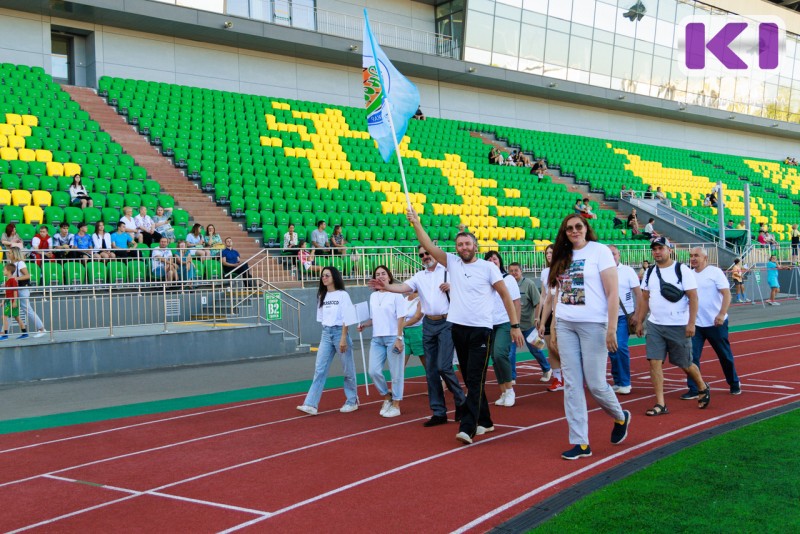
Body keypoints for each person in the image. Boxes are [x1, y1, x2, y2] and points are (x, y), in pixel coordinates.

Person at [405, 207, 523, 445]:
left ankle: (468, 426)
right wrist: (416, 223)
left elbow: (505, 296)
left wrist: (515, 325)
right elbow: (428, 245)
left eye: (467, 244)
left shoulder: (488, 268)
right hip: (457, 328)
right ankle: (486, 421)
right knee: (471, 380)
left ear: (475, 246)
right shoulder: (452, 263)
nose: (464, 248)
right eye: (460, 244)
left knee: (474, 377)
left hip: (481, 329)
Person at [540, 214, 630, 460]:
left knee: (596, 383)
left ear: (586, 228)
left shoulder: (599, 251)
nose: (574, 231)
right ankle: (580, 443)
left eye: (578, 226)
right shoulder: (562, 256)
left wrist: (611, 328)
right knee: (571, 385)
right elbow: (559, 295)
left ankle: (620, 416)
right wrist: (555, 329)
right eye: (569, 228)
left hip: (594, 325)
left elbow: (612, 294)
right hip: (566, 324)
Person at [370, 245, 466, 428]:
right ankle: (439, 412)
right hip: (429, 324)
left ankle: (461, 401)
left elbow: (466, 287)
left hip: (447, 322)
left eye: (427, 253)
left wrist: (452, 287)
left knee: (444, 366)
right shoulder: (419, 276)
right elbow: (403, 287)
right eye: (421, 255)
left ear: (434, 253)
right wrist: (386, 286)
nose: (424, 256)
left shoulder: (448, 270)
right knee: (430, 370)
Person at [635, 237, 710, 416]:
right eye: (654, 249)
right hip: (655, 325)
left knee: (685, 363)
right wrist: (640, 321)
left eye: (660, 248)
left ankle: (701, 385)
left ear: (669, 249)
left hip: (678, 325)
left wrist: (691, 323)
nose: (657, 252)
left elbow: (693, 297)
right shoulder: (650, 272)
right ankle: (660, 403)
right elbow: (645, 298)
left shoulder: (681, 269)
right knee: (654, 362)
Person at [296, 266, 359, 415]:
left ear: (334, 277)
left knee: (348, 369)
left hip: (340, 333)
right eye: (323, 276)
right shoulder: (321, 295)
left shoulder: (343, 295)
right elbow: (323, 319)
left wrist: (343, 337)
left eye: (327, 275)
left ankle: (352, 400)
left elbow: (347, 318)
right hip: (326, 334)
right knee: (320, 369)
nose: (324, 278)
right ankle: (311, 404)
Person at [687, 247, 740, 398]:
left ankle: (734, 382)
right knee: (692, 357)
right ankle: (694, 388)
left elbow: (726, 294)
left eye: (696, 255)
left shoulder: (715, 272)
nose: (693, 258)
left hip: (716, 323)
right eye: (691, 256)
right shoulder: (689, 275)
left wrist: (721, 314)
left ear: (705, 258)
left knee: (724, 355)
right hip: (696, 324)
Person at [358, 265, 407, 418]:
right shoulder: (373, 296)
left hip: (393, 337)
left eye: (383, 274)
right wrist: (365, 324)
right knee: (373, 370)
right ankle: (387, 397)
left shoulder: (397, 295)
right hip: (377, 339)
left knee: (396, 373)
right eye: (377, 274)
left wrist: (399, 338)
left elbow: (401, 317)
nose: (380, 276)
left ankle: (396, 405)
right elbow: (374, 318)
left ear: (389, 276)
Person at [483, 251, 521, 407]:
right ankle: (503, 391)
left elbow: (517, 302)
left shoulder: (508, 279)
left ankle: (510, 390)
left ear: (500, 261)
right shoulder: (485, 280)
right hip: (488, 323)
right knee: (494, 357)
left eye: (495, 258)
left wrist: (515, 325)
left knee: (500, 354)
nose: (492, 260)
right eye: (489, 259)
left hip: (505, 322)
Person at [508, 261, 551, 384]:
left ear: (521, 271)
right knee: (510, 352)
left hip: (528, 325)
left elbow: (538, 303)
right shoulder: (507, 284)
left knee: (536, 349)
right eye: (511, 271)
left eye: (516, 270)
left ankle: (547, 369)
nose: (513, 273)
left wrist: (537, 319)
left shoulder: (529, 284)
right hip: (513, 326)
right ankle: (511, 377)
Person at [607, 245, 642, 395]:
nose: (611, 256)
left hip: (623, 316)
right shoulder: (601, 271)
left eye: (613, 253)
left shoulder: (627, 271)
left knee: (620, 346)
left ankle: (625, 382)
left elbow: (639, 294)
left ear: (619, 255)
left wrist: (637, 315)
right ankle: (618, 381)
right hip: (606, 317)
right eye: (608, 254)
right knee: (612, 350)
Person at [539, 244, 564, 392]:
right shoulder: (546, 272)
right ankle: (557, 378)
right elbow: (546, 297)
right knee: (551, 347)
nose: (549, 255)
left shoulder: (564, 269)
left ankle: (571, 375)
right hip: (550, 313)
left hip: (562, 314)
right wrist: (540, 319)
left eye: (551, 252)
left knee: (560, 347)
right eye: (547, 252)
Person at [7, 247, 46, 337]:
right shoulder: (12, 264)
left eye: (10, 253)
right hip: (16, 289)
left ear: (14, 254)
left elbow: (27, 275)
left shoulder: (20, 263)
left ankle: (41, 329)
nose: (8, 254)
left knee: (27, 310)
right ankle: (4, 333)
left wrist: (15, 278)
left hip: (22, 289)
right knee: (10, 310)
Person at [1, 263, 28, 340]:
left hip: (12, 301)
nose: (3, 271)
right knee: (16, 317)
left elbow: (15, 291)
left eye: (4, 270)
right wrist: (3, 301)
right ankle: (25, 333)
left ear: (9, 271)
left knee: (4, 316)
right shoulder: (7, 280)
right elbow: (7, 292)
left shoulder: (13, 280)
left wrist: (14, 301)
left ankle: (5, 335)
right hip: (9, 301)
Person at [401, 291, 425, 369]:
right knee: (400, 365)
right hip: (404, 333)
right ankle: (398, 381)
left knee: (427, 364)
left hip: (417, 333)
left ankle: (439, 379)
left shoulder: (421, 299)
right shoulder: (404, 299)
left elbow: (417, 318)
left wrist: (401, 325)